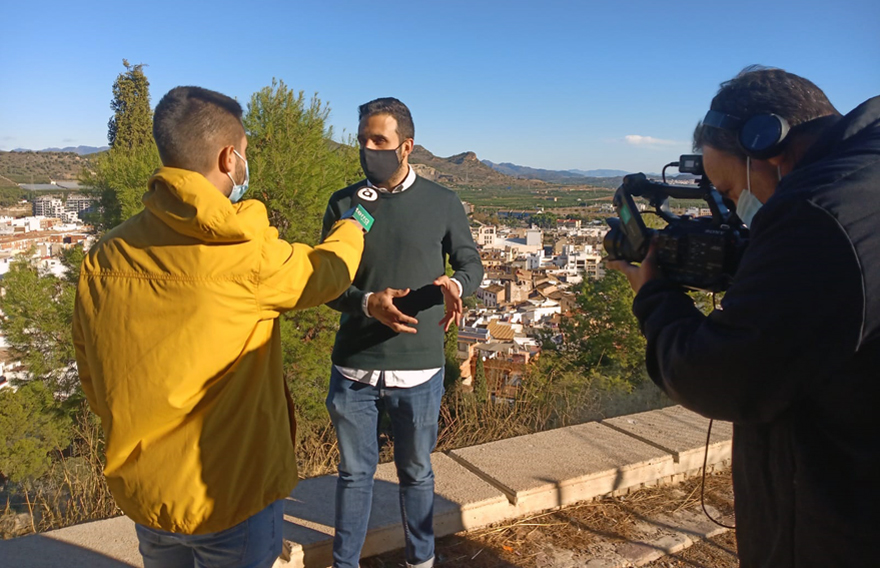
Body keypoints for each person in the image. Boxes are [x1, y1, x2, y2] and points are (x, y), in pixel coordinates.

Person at [72, 86, 368, 568]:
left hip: (146, 490)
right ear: (229, 158)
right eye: (245, 155)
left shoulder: (106, 254)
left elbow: (91, 367)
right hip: (231, 494)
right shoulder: (245, 257)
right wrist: (354, 226)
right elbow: (328, 273)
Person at [610, 66, 880, 567]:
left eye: (732, 192)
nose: (737, 213)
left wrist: (654, 297)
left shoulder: (815, 215)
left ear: (767, 145)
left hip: (838, 517)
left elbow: (717, 377)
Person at [321, 97, 484, 568]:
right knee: (354, 474)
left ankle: (421, 561)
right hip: (354, 366)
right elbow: (327, 283)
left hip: (419, 366)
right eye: (362, 141)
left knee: (416, 472)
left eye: (379, 141)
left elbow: (470, 264)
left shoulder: (443, 203)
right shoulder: (344, 203)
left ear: (406, 147)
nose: (368, 149)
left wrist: (455, 284)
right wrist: (366, 303)